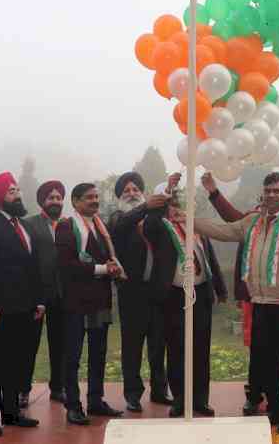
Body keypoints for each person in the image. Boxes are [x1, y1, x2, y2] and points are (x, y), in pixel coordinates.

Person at [195, 172, 279, 434]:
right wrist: (191, 221)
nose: (272, 195)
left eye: (277, 190)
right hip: (260, 301)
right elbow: (223, 230)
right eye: (268, 191)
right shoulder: (253, 221)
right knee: (266, 360)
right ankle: (275, 410)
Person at [143, 180, 227, 418]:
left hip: (200, 293)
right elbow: (148, 223)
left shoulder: (195, 227)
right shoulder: (158, 227)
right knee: (177, 347)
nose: (178, 208)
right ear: (164, 206)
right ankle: (180, 398)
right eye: (173, 203)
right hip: (174, 295)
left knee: (201, 347)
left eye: (181, 203)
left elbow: (209, 257)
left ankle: (200, 399)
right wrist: (166, 191)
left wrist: (220, 288)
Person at [0, 172, 44, 437]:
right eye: (11, 190)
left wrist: (39, 301)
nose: (18, 194)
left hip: (25, 308)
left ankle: (12, 413)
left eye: (17, 189)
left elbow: (33, 268)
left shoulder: (25, 226)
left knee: (17, 361)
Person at [56, 183, 125, 425]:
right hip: (76, 301)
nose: (94, 201)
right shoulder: (67, 226)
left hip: (100, 300)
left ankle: (95, 401)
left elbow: (106, 256)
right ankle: (73, 405)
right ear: (75, 202)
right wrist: (102, 268)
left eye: (96, 197)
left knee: (98, 353)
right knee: (73, 356)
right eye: (88, 198)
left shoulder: (99, 225)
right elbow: (66, 265)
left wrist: (113, 267)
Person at [200, 171, 265, 416]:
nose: (266, 201)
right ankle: (255, 394)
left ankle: (274, 394)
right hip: (252, 295)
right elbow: (231, 218)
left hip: (278, 296)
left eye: (273, 194)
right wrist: (213, 192)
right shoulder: (252, 219)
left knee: (276, 347)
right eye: (263, 197)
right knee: (255, 345)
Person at [108, 172, 173, 412]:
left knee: (158, 344)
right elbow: (123, 224)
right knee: (132, 346)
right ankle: (132, 394)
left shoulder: (152, 219)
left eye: (136, 189)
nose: (132, 193)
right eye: (127, 191)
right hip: (131, 293)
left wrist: (168, 189)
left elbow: (158, 215)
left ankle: (159, 390)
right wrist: (146, 206)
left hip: (155, 292)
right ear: (119, 197)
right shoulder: (116, 218)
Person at [20, 180, 67, 406]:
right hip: (36, 296)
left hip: (62, 295)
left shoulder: (68, 225)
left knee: (60, 344)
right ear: (43, 202)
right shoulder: (29, 225)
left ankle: (57, 388)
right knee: (28, 344)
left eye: (59, 198)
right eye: (51, 198)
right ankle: (23, 390)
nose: (55, 201)